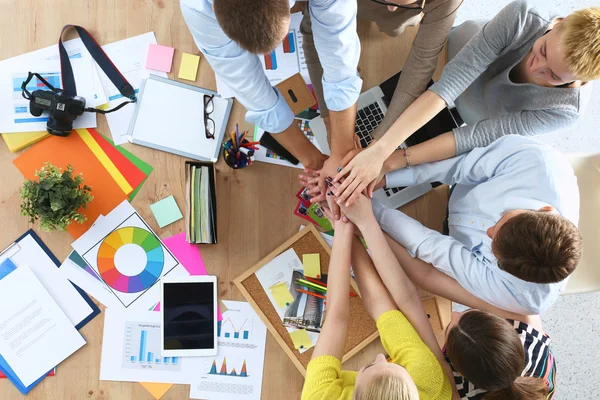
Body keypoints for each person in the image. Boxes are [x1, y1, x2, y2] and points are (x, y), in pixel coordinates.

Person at [333, 0, 600, 206]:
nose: (536, 66)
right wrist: (379, 151)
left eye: (553, 75)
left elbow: (476, 136)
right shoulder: (523, 15)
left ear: (579, 80)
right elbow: (447, 87)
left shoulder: (566, 110)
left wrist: (390, 162)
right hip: (448, 63)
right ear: (559, 23)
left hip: (473, 121)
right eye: (542, 50)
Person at [323, 181, 556, 400]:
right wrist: (366, 228)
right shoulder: (523, 320)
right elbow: (425, 276)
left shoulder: (448, 388)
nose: (453, 313)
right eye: (464, 313)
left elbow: (409, 296)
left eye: (449, 325)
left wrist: (364, 226)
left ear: (455, 366)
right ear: (502, 326)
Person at [362, 135, 581, 314]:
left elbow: (434, 247)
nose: (488, 230)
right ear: (545, 210)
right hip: (455, 185)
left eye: (492, 244)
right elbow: (459, 166)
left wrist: (369, 210)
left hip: (445, 236)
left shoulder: (520, 294)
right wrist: (387, 179)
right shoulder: (536, 162)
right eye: (500, 220)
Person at [301, 193, 453, 400]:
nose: (382, 356)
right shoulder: (427, 381)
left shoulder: (319, 397)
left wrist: (343, 231)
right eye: (395, 364)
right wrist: (346, 230)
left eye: (370, 365)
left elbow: (336, 315)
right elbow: (380, 305)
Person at [445, 310, 555, 399]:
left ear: (460, 372)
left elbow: (440, 361)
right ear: (509, 328)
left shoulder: (464, 390)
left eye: (448, 330)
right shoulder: (532, 339)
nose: (453, 313)